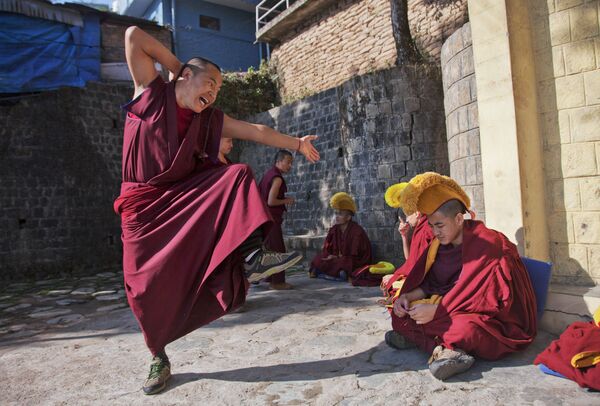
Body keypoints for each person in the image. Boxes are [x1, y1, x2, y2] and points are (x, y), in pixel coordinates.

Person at [114, 26, 320, 395]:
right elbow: (132, 35)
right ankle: (158, 355)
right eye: (209, 83)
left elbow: (255, 131)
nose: (213, 93)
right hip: (141, 210)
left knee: (236, 173)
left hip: (182, 198)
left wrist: (296, 142)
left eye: (218, 89)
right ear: (187, 77)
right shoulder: (150, 91)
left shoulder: (206, 120)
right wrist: (178, 67)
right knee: (144, 290)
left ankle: (253, 255)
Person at [385, 172, 537, 381]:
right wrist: (408, 297)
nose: (435, 232)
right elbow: (433, 284)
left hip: (493, 316)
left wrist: (437, 311)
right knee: (399, 316)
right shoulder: (440, 245)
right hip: (454, 306)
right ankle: (447, 348)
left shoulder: (487, 242)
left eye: (440, 225)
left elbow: (483, 297)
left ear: (458, 218)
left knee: (464, 329)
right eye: (431, 226)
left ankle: (447, 347)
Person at [380, 182, 434, 298]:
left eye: (407, 215)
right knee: (390, 283)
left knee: (392, 285)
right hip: (419, 274)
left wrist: (395, 276)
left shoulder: (426, 229)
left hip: (428, 279)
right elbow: (410, 259)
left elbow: (419, 268)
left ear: (417, 213)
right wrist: (404, 236)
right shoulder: (419, 228)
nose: (407, 220)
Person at [309, 192, 372, 281]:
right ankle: (339, 274)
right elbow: (327, 249)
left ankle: (332, 273)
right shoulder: (334, 229)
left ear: (348, 217)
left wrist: (337, 257)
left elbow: (356, 255)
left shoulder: (357, 231)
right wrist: (331, 256)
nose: (337, 217)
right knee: (319, 258)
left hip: (354, 260)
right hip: (337, 259)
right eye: (336, 214)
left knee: (347, 263)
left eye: (340, 214)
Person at [258, 150, 295, 290]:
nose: (290, 165)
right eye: (288, 162)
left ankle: (269, 277)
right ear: (278, 162)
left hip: (263, 218)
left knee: (269, 249)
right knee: (278, 249)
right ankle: (277, 282)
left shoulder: (269, 174)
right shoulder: (277, 178)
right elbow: (271, 201)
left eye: (291, 163)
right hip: (271, 218)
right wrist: (287, 200)